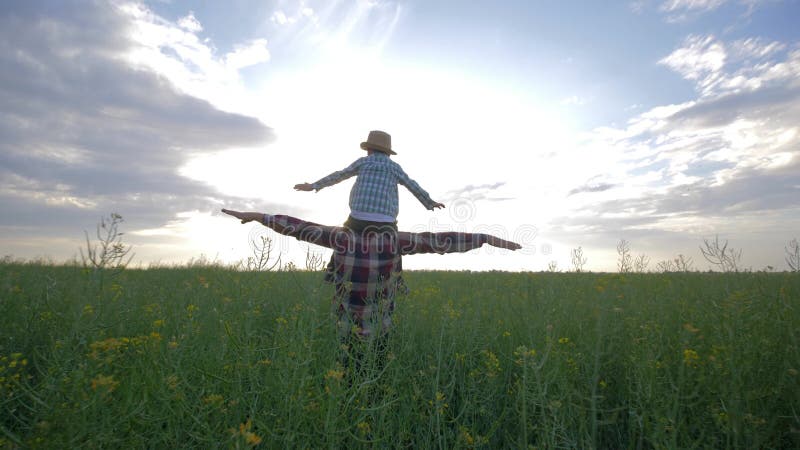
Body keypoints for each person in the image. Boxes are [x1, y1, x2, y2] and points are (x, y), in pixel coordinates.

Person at [221, 209, 520, 375]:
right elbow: (441, 240)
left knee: (346, 377)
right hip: (381, 327)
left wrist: (260, 216)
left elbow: (298, 227)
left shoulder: (340, 238)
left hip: (344, 327)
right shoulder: (397, 241)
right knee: (376, 379)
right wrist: (485, 238)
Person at [294, 130, 445, 234]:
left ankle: (334, 274)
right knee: (392, 245)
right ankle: (396, 279)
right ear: (388, 152)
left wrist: (314, 185)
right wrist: (430, 203)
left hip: (358, 219)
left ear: (369, 149)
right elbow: (413, 185)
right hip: (385, 222)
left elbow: (339, 175)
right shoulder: (394, 167)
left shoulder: (363, 162)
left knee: (344, 240)